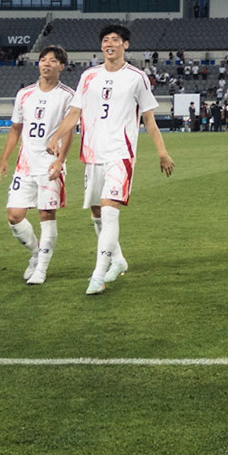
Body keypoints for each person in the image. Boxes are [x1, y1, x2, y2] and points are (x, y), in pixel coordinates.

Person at [44, 24, 174, 296]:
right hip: (93, 155)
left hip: (121, 154)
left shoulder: (137, 78)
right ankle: (118, 260)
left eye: (115, 40)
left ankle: (98, 274)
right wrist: (56, 136)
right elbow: (75, 112)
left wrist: (162, 152)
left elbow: (148, 119)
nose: (109, 44)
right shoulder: (89, 76)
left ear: (125, 45)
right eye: (105, 40)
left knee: (109, 208)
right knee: (96, 212)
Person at [0, 45, 75, 286]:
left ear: (61, 66)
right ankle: (36, 253)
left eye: (52, 61)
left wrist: (61, 159)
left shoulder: (67, 96)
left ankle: (41, 268)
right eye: (43, 60)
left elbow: (70, 131)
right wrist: (4, 158)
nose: (46, 64)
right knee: (14, 215)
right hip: (25, 165)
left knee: (46, 214)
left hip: (50, 165)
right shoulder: (25, 94)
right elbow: (15, 129)